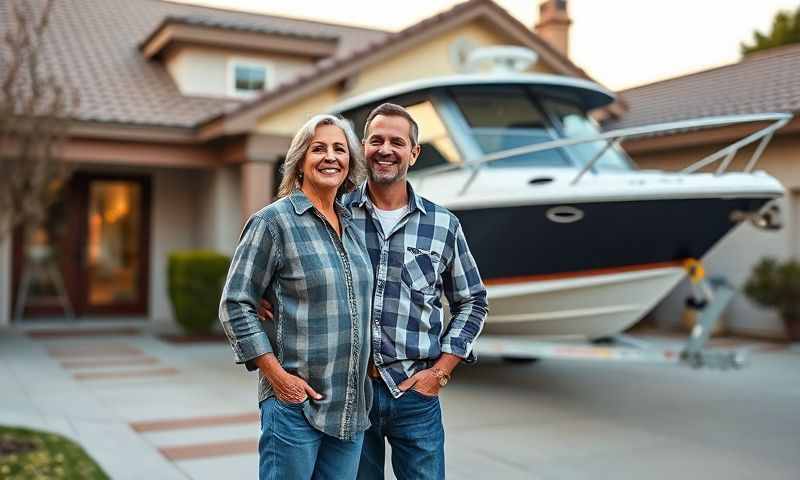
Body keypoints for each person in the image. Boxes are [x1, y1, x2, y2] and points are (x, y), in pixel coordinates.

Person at [261, 103, 489, 479]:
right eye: (376, 140)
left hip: (415, 394)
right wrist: (261, 296)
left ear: (414, 153)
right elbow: (291, 265)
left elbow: (473, 301)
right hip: (350, 394)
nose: (386, 149)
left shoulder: (443, 224)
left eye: (397, 142)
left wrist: (441, 373)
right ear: (363, 148)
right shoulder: (336, 214)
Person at [219, 114, 374, 480]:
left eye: (339, 149)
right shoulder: (273, 222)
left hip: (349, 410)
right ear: (300, 161)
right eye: (318, 149)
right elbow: (235, 302)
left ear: (350, 161)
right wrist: (277, 377)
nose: (330, 157)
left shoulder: (352, 225)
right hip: (295, 407)